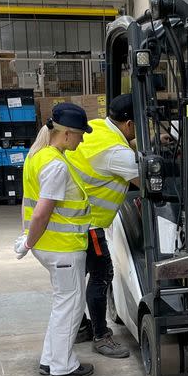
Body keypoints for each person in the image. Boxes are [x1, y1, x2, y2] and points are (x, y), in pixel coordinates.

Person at [13, 102, 94, 376]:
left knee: (62, 304)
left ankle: (50, 360)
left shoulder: (38, 156)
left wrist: (30, 241)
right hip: (62, 249)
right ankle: (63, 365)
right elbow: (42, 212)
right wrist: (27, 242)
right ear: (67, 133)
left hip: (50, 246)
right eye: (81, 133)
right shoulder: (56, 165)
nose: (83, 138)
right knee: (70, 308)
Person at [67, 93, 139, 359]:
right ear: (130, 124)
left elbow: (115, 155)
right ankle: (100, 335)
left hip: (71, 221)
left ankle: (80, 328)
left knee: (75, 279)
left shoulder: (98, 127)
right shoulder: (117, 153)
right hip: (90, 224)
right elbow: (148, 181)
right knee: (101, 276)